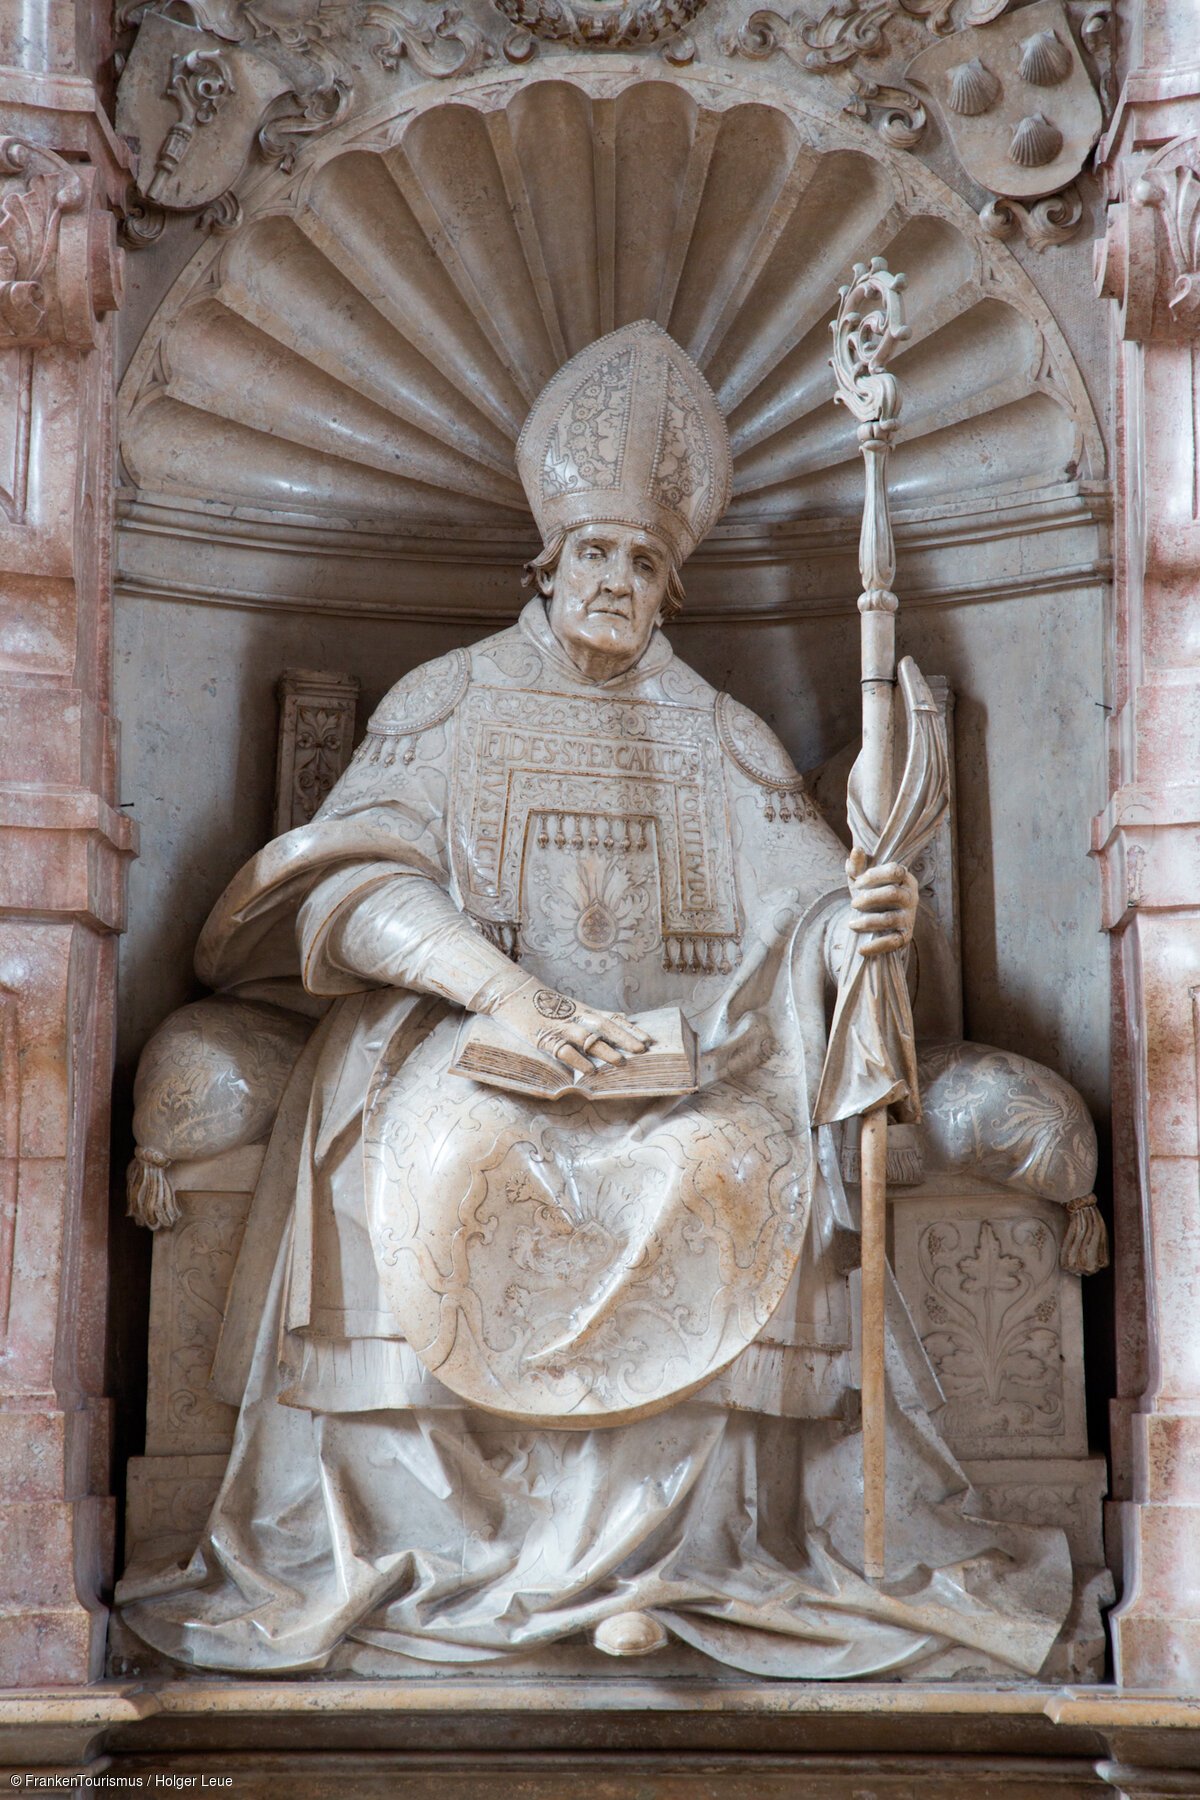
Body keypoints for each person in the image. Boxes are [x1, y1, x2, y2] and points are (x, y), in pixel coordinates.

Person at [118, 322, 1072, 1677]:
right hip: (468, 1048)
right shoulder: (450, 703)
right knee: (472, 1164)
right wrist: (498, 995)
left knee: (735, 1167)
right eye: (596, 554)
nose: (617, 577)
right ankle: (471, 1555)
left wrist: (856, 930)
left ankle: (673, 1561)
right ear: (546, 561)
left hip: (687, 1066)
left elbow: (808, 919)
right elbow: (342, 887)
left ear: (670, 582)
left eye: (643, 559)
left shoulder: (721, 735)